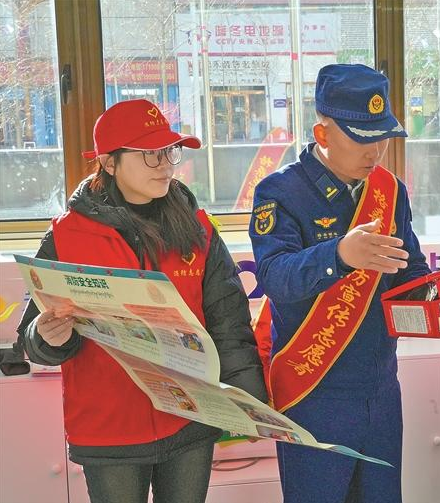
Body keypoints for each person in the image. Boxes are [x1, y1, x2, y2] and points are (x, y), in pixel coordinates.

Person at [16, 99, 268, 503]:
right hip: (109, 430)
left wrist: (249, 400)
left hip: (190, 418)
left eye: (170, 151)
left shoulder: (197, 228)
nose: (166, 165)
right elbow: (33, 338)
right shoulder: (67, 237)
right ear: (109, 162)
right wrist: (48, 336)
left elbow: (228, 320)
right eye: (150, 154)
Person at [249, 63, 430, 503]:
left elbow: (409, 267)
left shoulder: (389, 191)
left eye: (382, 137)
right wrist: (339, 256)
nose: (376, 151)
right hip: (314, 393)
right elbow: (275, 277)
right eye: (361, 139)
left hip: (380, 389)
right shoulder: (280, 192)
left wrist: (431, 293)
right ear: (323, 133)